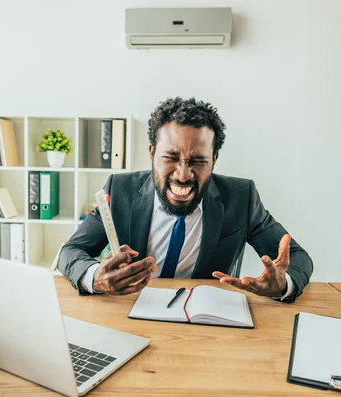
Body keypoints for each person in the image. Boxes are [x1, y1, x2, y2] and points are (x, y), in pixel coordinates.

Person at [58, 97, 313, 303]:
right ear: (152, 154)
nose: (183, 175)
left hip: (205, 321)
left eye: (198, 161)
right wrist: (95, 277)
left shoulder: (240, 197)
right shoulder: (121, 190)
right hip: (131, 310)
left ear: (214, 159)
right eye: (170, 158)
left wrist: (283, 285)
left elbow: (298, 257)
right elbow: (70, 251)